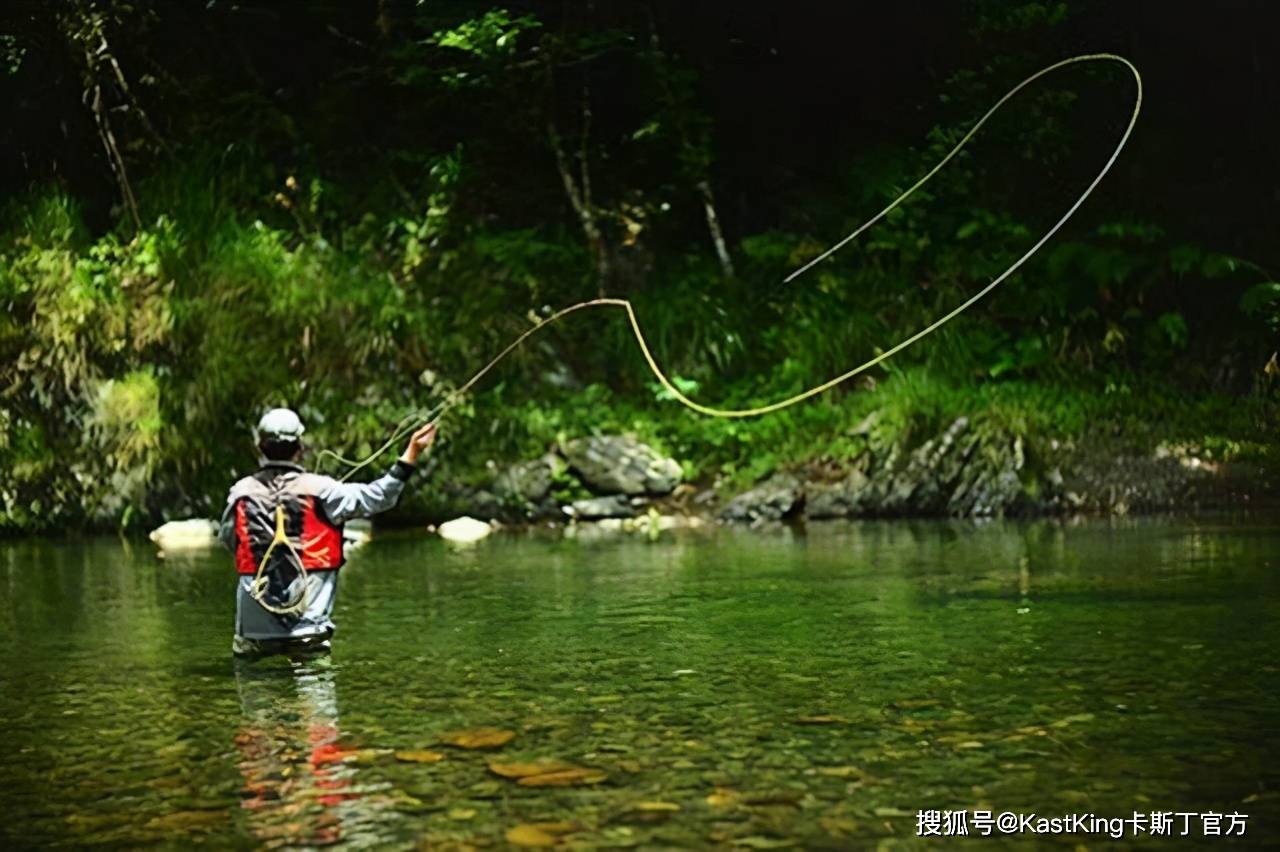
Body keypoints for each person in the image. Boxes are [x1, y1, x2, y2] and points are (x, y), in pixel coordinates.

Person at [220, 407, 436, 660]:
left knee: (257, 694)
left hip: (254, 632)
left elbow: (230, 540)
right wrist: (412, 452)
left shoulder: (240, 492)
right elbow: (380, 496)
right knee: (315, 692)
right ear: (300, 447)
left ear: (259, 447)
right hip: (308, 630)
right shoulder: (323, 490)